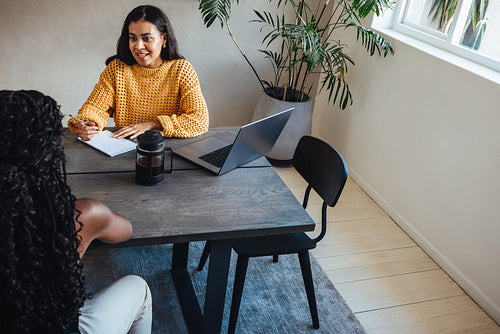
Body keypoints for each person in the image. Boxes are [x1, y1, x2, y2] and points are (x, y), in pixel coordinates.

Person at [0, 90, 152, 333]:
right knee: (139, 287)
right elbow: (125, 231)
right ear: (51, 151)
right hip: (57, 326)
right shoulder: (82, 215)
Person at [68, 5, 209, 141]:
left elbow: (200, 120)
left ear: (163, 39)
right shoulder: (117, 69)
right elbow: (95, 107)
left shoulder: (182, 70)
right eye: (133, 38)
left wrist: (152, 125)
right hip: (122, 148)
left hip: (167, 150)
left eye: (147, 38)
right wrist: (88, 124)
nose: (138, 46)